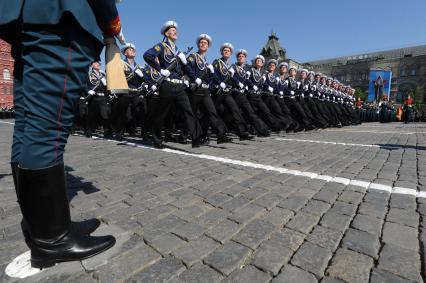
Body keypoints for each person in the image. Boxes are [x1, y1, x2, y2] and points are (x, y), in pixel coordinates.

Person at [0, 0, 123, 268]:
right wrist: (112, 19)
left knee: (29, 126)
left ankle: (41, 226)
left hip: (34, 16)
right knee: (47, 129)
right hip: (63, 17)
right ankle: (52, 240)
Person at [143, 20, 201, 148]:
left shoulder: (178, 51)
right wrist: (159, 69)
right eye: (172, 31)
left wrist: (193, 76)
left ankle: (196, 138)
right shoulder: (161, 46)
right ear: (166, 33)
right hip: (167, 85)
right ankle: (157, 139)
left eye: (176, 31)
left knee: (188, 111)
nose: (175, 32)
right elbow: (147, 55)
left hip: (179, 86)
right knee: (161, 113)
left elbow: (184, 69)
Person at [186, 34, 231, 144]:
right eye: (201, 42)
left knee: (212, 112)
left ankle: (220, 135)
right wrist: (194, 78)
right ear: (198, 44)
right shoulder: (193, 56)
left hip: (205, 91)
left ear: (208, 46)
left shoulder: (206, 61)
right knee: (193, 114)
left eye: (205, 43)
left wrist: (211, 75)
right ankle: (189, 135)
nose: (203, 44)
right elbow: (187, 68)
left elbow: (211, 79)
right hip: (195, 90)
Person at [211, 43, 253, 140]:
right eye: (225, 50)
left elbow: (233, 79)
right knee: (214, 113)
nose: (226, 52)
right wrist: (219, 82)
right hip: (218, 91)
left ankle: (241, 133)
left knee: (235, 110)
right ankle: (212, 133)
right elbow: (213, 74)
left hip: (227, 92)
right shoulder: (217, 62)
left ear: (230, 54)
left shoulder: (230, 66)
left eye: (228, 51)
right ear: (222, 52)